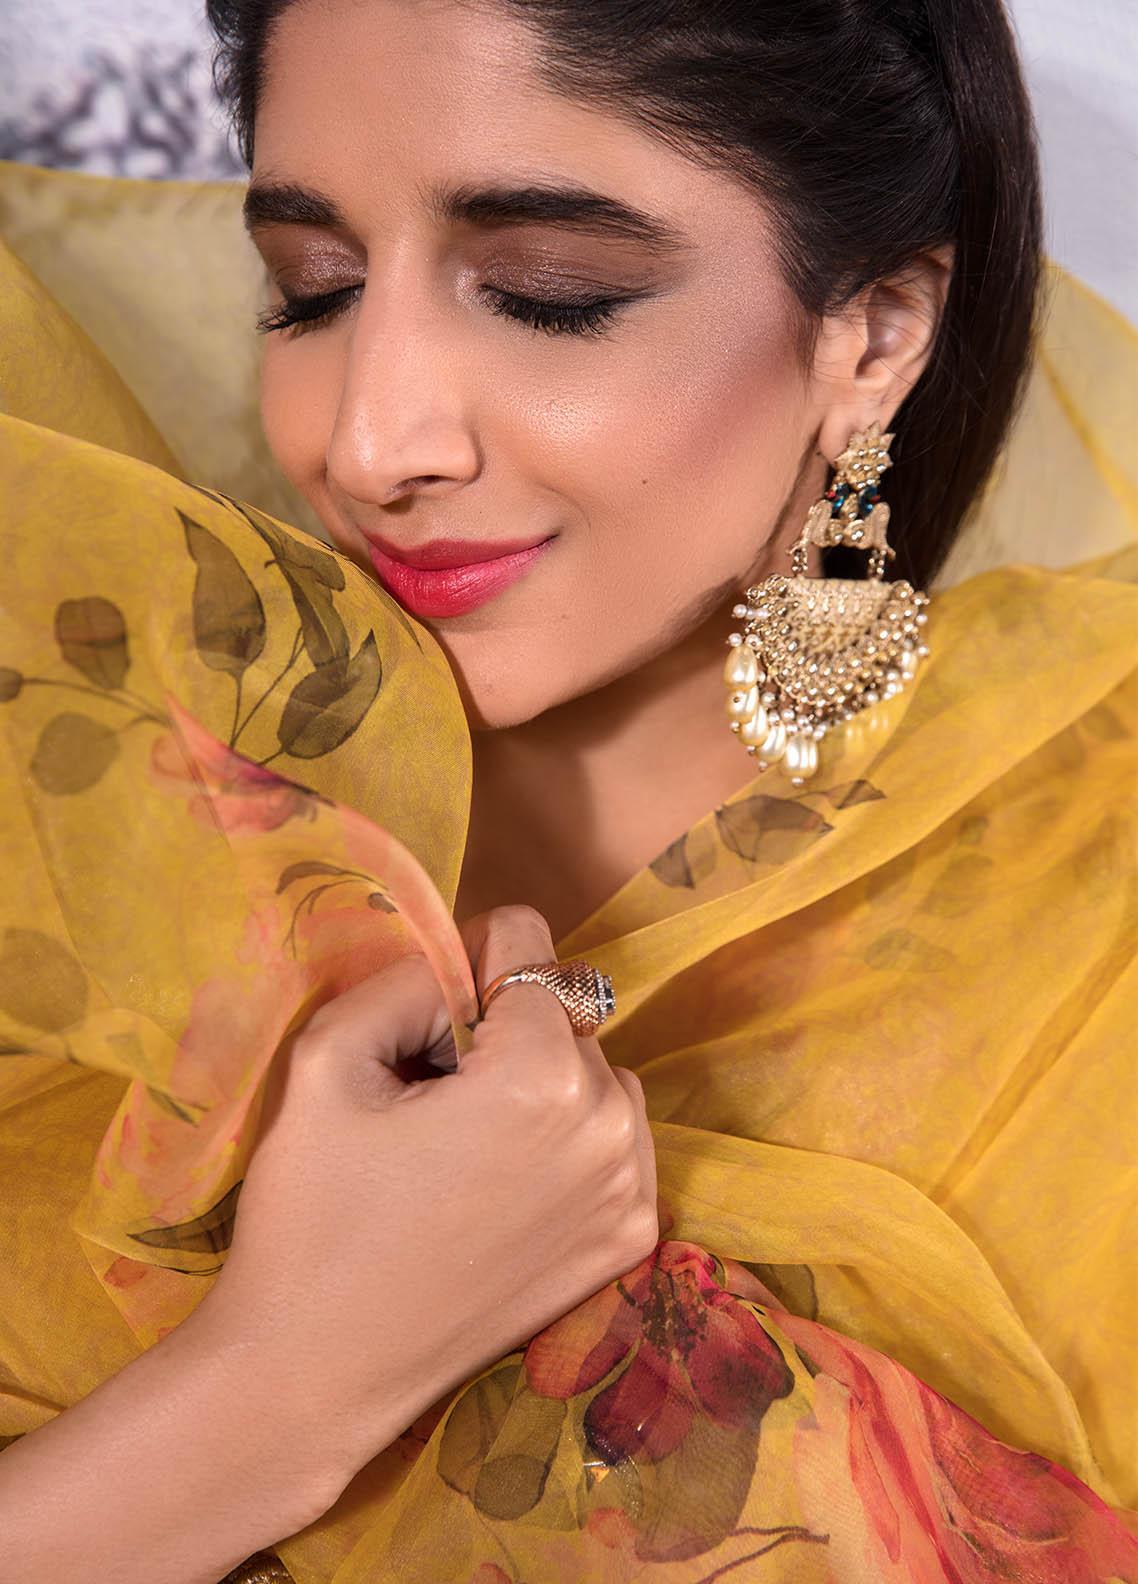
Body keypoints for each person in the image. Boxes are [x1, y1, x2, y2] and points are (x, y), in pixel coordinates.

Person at [0, 1, 1135, 1581]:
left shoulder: (1096, 905)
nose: (369, 441)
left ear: (871, 337)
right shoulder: (86, 792)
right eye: (312, 289)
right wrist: (278, 1389)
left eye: (548, 294)